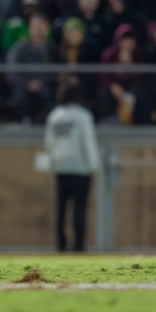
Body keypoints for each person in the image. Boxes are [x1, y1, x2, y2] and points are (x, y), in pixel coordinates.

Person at [44, 81, 99, 252]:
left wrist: (52, 164)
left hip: (61, 167)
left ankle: (61, 244)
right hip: (80, 168)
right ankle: (78, 246)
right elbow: (87, 143)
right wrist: (92, 165)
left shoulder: (54, 116)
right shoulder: (83, 116)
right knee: (79, 210)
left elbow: (49, 143)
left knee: (61, 210)